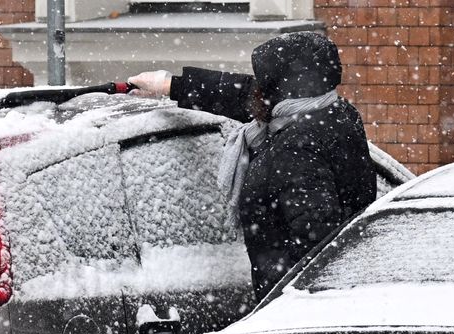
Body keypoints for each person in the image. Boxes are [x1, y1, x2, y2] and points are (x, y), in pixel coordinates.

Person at [130, 31, 376, 301]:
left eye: (265, 83)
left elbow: (316, 248)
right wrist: (171, 85)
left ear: (283, 91)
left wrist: (282, 306)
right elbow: (243, 94)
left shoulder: (297, 150)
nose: (257, 89)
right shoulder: (331, 114)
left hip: (290, 307)